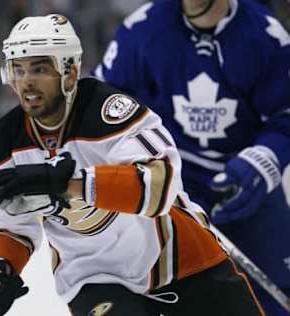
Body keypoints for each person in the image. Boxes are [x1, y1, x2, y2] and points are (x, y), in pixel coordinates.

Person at [0, 14, 265, 316]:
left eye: (39, 69)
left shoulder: (110, 113)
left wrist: (70, 184)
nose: (26, 82)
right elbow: (7, 225)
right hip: (94, 278)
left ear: (69, 71)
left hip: (184, 259)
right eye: (18, 69)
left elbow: (161, 184)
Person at [93, 0, 290, 314]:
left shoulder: (265, 34)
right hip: (174, 182)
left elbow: (285, 114)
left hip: (247, 180)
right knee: (166, 287)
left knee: (277, 290)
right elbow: (102, 101)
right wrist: (136, 158)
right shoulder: (142, 29)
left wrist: (261, 160)